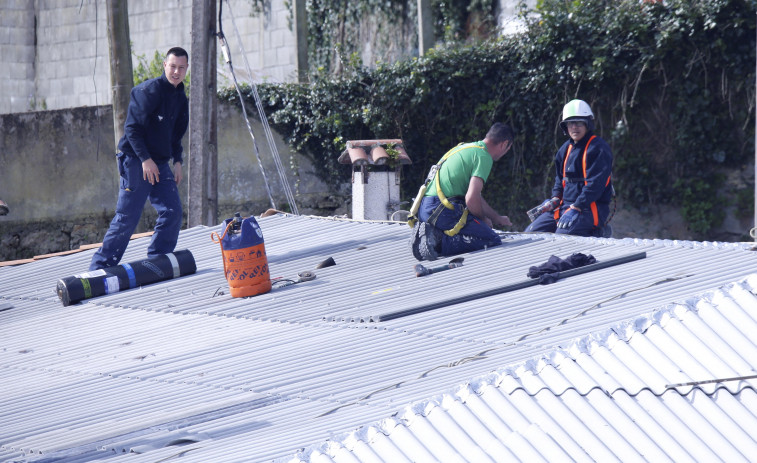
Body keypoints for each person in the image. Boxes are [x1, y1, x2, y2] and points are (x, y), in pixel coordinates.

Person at [89, 47, 189, 270]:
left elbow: (176, 136)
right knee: (127, 217)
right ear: (165, 65)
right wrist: (145, 159)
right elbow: (132, 129)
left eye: (181, 68)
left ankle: (158, 260)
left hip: (160, 163)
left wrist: (178, 162)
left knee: (173, 211)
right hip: (135, 159)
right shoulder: (148, 91)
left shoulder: (181, 99)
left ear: (186, 69)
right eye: (172, 66)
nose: (176, 72)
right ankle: (99, 268)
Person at [409, 122, 514, 261]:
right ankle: (437, 240)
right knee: (491, 238)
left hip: (426, 209)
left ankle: (433, 233)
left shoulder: (466, 148)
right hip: (442, 210)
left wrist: (496, 218)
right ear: (504, 144)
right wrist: (482, 219)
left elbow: (475, 196)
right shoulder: (484, 157)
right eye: (508, 149)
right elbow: (471, 198)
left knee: (479, 229)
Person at [525, 99, 614, 237]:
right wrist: (555, 199)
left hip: (588, 209)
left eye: (578, 123)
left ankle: (598, 232)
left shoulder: (598, 148)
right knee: (530, 234)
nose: (574, 127)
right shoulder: (565, 149)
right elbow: (559, 179)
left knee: (562, 237)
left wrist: (577, 206)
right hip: (564, 208)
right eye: (570, 123)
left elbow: (596, 185)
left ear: (587, 124)